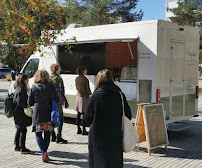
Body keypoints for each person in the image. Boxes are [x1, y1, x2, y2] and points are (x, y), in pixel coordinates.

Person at [84, 69, 132, 168]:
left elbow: (87, 118)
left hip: (98, 137)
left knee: (98, 162)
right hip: (115, 135)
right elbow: (128, 115)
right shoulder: (119, 94)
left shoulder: (96, 95)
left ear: (99, 79)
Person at [28, 70, 58, 162]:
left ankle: (43, 152)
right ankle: (45, 151)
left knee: (38, 133)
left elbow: (29, 102)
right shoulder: (51, 86)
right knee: (47, 132)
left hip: (38, 112)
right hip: (48, 111)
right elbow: (56, 98)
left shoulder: (34, 87)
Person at [13, 74, 32, 154]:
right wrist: (27, 106)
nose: (28, 81)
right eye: (27, 79)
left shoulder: (18, 89)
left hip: (16, 112)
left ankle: (17, 146)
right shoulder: (21, 90)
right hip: (20, 113)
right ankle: (22, 148)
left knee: (19, 129)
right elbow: (20, 102)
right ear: (23, 80)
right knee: (23, 129)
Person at [50, 64, 68, 144]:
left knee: (51, 117)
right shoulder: (59, 79)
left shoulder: (48, 79)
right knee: (60, 119)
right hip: (58, 102)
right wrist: (64, 100)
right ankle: (59, 136)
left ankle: (52, 133)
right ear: (57, 70)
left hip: (50, 101)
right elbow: (62, 91)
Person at [75, 65, 92, 135]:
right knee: (84, 114)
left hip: (78, 97)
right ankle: (84, 129)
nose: (86, 71)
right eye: (85, 70)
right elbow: (87, 89)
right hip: (84, 98)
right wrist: (91, 93)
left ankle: (78, 129)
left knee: (78, 114)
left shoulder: (77, 78)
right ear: (83, 71)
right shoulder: (85, 79)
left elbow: (76, 87)